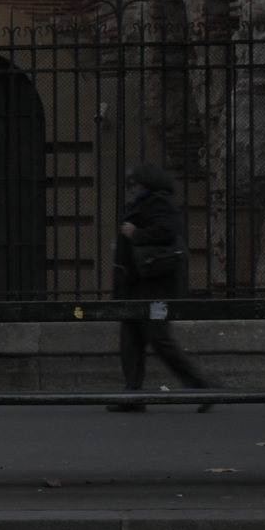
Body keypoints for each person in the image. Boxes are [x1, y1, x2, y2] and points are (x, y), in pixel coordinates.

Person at [109, 161, 216, 412]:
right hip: (137, 285)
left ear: (147, 182)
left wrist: (135, 233)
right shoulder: (142, 201)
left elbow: (167, 231)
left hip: (155, 286)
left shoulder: (159, 201)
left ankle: (202, 387)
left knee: (159, 338)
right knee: (131, 339)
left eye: (134, 182)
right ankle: (133, 395)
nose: (131, 187)